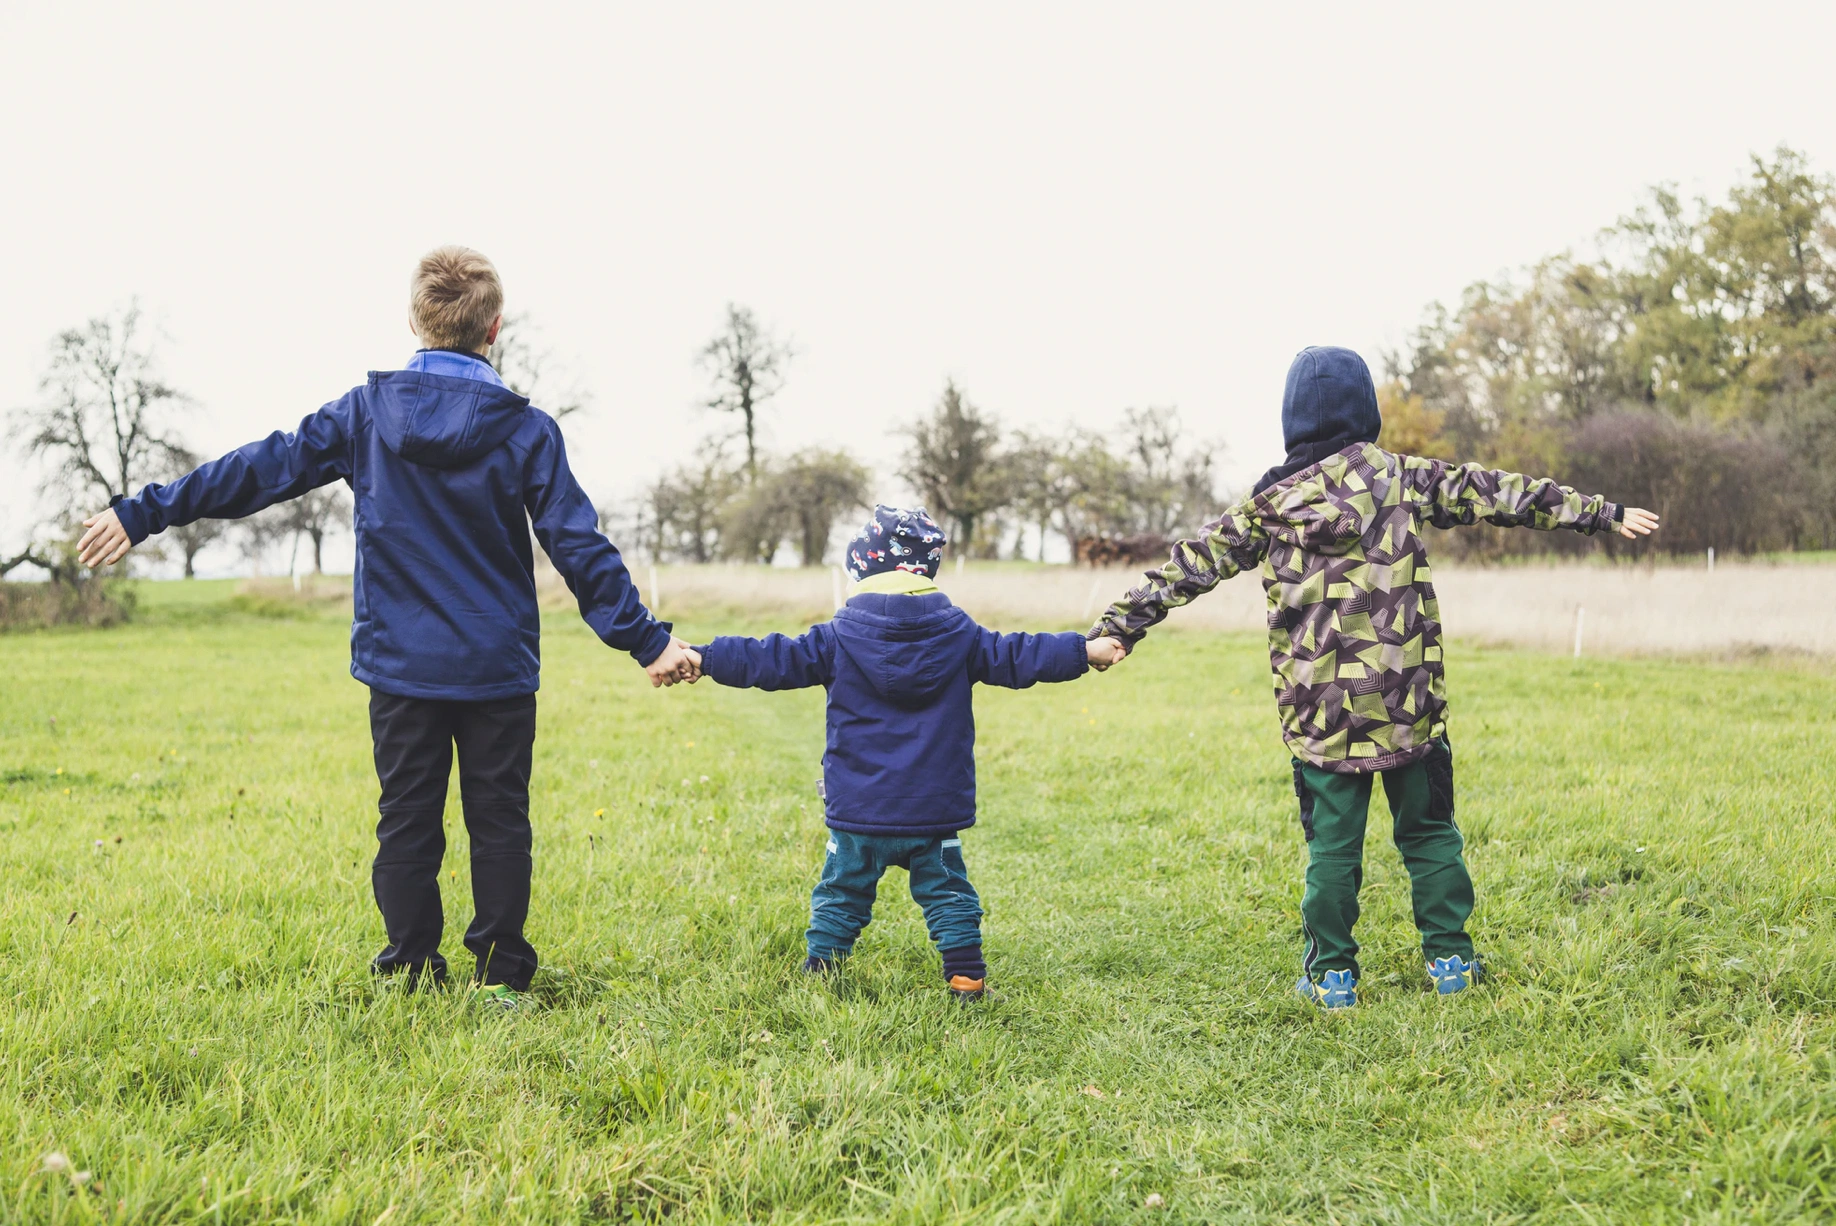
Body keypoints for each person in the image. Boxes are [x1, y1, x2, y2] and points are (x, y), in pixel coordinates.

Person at [76, 246, 698, 1010]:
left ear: (414, 321)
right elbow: (578, 545)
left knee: (406, 821)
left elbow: (258, 470)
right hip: (496, 666)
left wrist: (144, 512)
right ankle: (501, 978)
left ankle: (409, 968)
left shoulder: (366, 415)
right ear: (494, 328)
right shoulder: (527, 430)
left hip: (402, 666)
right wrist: (647, 641)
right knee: (500, 822)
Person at [1088, 346, 1659, 1009]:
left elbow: (1187, 566)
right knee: (1430, 834)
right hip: (1407, 702)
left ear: (1292, 420)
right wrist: (1601, 512)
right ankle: (1450, 962)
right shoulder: (1399, 478)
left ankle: (1331, 977)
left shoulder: (1265, 507)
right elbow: (1494, 492)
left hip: (1322, 715)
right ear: (1366, 411)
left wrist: (1119, 626)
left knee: (1332, 851)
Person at [685, 506, 1127, 1000]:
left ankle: (821, 970)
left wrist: (705, 657)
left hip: (860, 808)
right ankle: (966, 978)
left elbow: (770, 658)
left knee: (842, 891)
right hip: (932, 808)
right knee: (948, 893)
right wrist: (1084, 650)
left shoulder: (835, 637)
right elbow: (1020, 654)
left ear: (862, 571)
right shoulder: (962, 635)